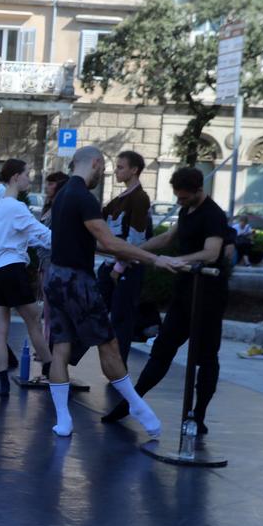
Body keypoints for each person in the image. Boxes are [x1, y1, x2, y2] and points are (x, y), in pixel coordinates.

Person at [44, 146, 182, 438]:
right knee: (108, 344)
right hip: (77, 282)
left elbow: (89, 242)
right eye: (104, 168)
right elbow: (109, 241)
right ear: (95, 162)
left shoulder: (62, 195)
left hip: (55, 277)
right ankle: (138, 407)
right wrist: (155, 259)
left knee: (60, 348)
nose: (104, 173)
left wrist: (125, 254)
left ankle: (63, 420)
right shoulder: (84, 197)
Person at [101, 167, 229, 432]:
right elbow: (168, 237)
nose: (179, 201)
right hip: (184, 295)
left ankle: (198, 416)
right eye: (177, 197)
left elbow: (212, 252)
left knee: (207, 358)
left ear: (198, 190)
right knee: (161, 350)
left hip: (207, 296)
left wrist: (178, 260)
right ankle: (132, 402)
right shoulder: (187, 210)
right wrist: (134, 251)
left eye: (184, 197)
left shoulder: (213, 215)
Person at [0, 160, 52, 393]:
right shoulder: (17, 207)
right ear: (15, 177)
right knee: (34, 321)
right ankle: (52, 371)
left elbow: (22, 235)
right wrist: (72, 242)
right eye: (26, 174)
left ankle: (3, 383)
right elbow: (42, 234)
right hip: (11, 269)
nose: (29, 179)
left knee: (1, 329)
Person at [94, 150, 152, 365]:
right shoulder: (119, 199)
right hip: (111, 266)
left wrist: (119, 267)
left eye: (120, 167)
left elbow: (136, 239)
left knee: (121, 320)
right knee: (97, 313)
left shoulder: (139, 198)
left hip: (127, 268)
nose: (116, 171)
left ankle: (119, 369)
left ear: (134, 170)